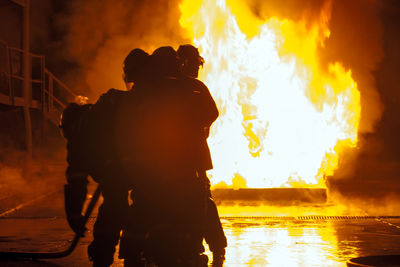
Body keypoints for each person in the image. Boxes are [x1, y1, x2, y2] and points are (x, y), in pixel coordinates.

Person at [62, 49, 150, 267]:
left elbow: (77, 179)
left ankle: (109, 254)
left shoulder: (84, 130)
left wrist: (74, 215)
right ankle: (129, 253)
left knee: (118, 205)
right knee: (134, 206)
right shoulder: (112, 107)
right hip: (134, 167)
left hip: (124, 168)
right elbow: (77, 178)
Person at [177, 44, 227, 265]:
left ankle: (213, 246)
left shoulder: (194, 87)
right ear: (183, 62)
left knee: (201, 201)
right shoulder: (189, 87)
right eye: (194, 63)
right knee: (200, 202)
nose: (197, 68)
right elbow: (211, 113)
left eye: (199, 64)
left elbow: (212, 113)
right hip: (188, 157)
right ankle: (208, 247)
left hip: (190, 157)